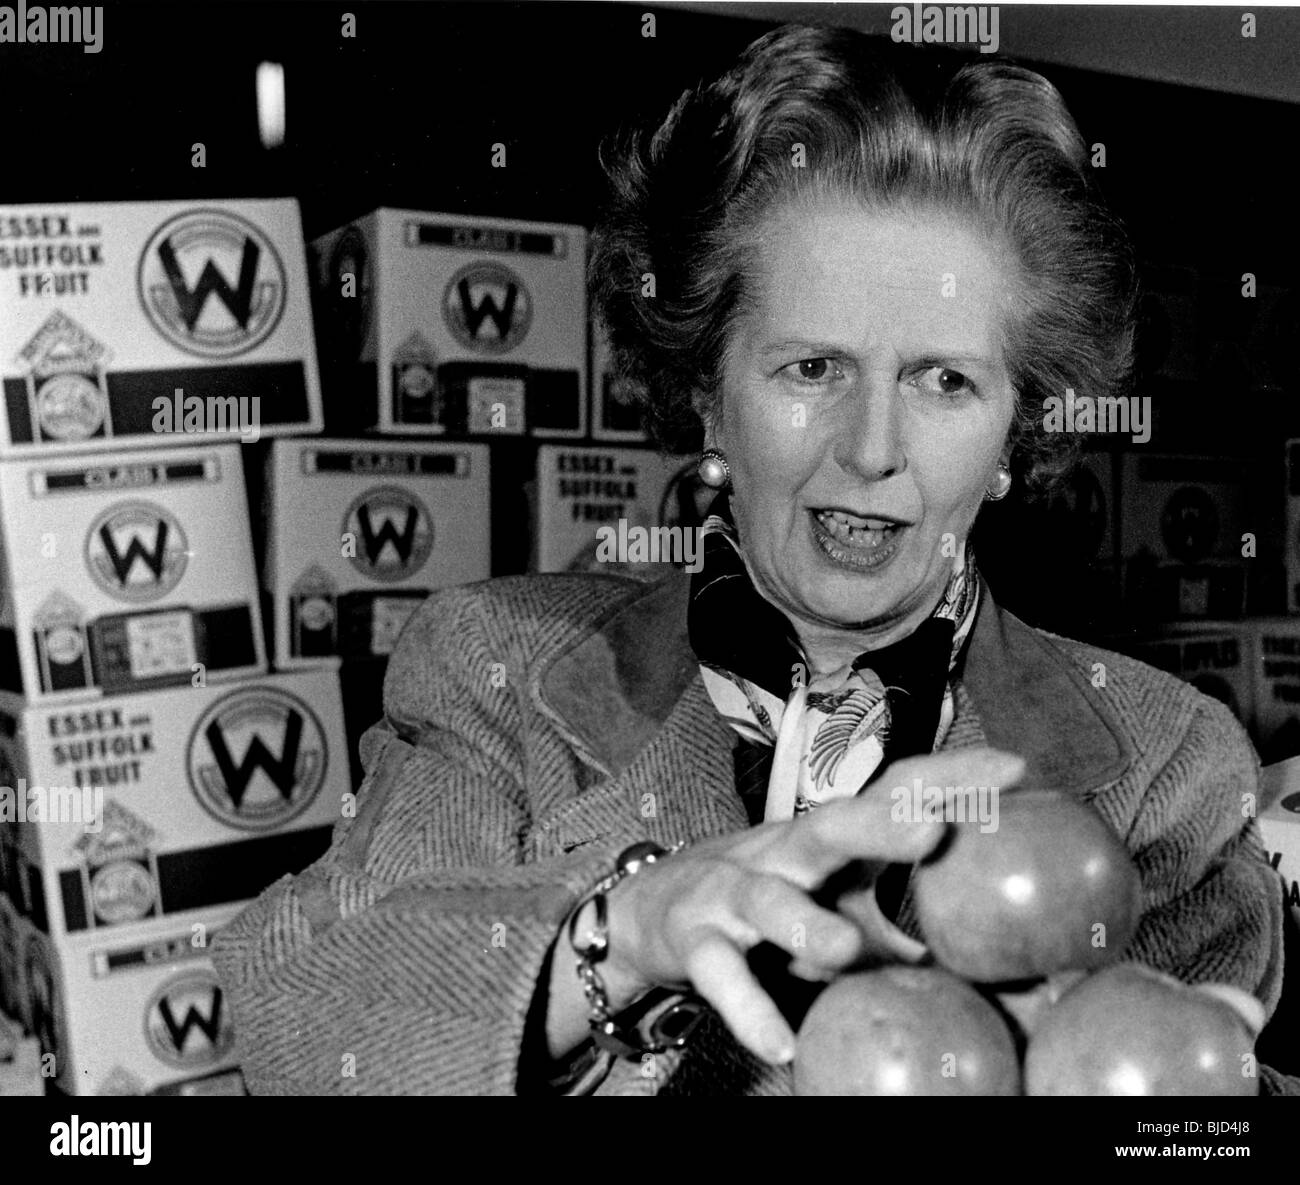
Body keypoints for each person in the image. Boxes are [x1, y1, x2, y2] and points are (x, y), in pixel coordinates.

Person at [213, 24, 1296, 1096]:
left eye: (945, 383)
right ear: (704, 395)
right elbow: (303, 1005)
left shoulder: (1164, 770)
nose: (872, 450)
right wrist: (622, 935)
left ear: (1018, 436)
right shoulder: (495, 666)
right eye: (811, 365)